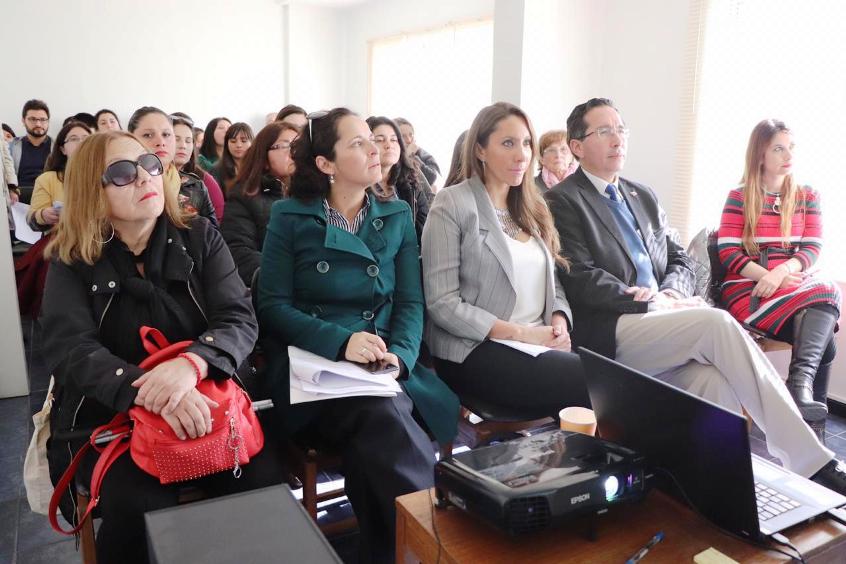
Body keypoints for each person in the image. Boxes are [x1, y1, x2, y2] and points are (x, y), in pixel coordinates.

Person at [544, 97, 846, 494]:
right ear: (578, 146)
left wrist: (670, 292)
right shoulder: (561, 200)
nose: (618, 139)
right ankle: (811, 461)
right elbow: (578, 276)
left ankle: (719, 487)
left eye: (621, 129)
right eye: (604, 131)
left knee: (713, 381)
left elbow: (680, 259)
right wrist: (648, 301)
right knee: (716, 322)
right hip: (612, 330)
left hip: (662, 317)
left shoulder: (642, 195)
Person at [41, 131, 276, 563]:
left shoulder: (200, 235)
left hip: (205, 400)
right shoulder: (71, 258)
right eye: (122, 173)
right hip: (112, 417)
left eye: (149, 164)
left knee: (261, 485)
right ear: (90, 191)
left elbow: (239, 320)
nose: (144, 177)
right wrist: (149, 393)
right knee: (139, 508)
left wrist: (191, 365)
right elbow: (71, 349)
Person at [257, 107, 456, 564]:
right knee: (385, 421)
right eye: (359, 142)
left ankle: (393, 552)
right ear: (325, 164)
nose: (376, 148)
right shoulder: (291, 215)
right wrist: (341, 343)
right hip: (315, 369)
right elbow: (272, 307)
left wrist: (402, 356)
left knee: (380, 426)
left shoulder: (397, 213)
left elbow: (410, 301)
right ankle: (431, 545)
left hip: (383, 363)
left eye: (375, 139)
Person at [421, 102, 588, 423]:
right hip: (473, 350)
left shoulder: (532, 206)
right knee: (597, 384)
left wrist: (558, 321)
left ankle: (581, 468)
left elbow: (552, 281)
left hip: (537, 345)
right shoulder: (453, 203)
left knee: (607, 383)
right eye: (508, 143)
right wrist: (521, 334)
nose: (521, 154)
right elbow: (442, 303)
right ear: (481, 150)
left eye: (526, 143)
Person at [718, 119, 840, 429]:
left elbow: (812, 249)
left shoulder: (807, 195)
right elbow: (729, 253)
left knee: (825, 290)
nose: (788, 156)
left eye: (791, 148)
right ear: (760, 155)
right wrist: (767, 277)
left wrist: (783, 271)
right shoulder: (739, 196)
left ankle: (799, 388)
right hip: (750, 287)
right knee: (826, 333)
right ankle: (806, 405)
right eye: (778, 148)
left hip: (793, 283)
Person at [222, 121, 298, 286]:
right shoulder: (244, 196)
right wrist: (288, 276)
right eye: (286, 146)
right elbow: (239, 252)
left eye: (298, 145)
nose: (295, 152)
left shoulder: (314, 193)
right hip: (276, 287)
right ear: (263, 157)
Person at [128, 107, 218, 227]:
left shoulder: (196, 186)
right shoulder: (122, 186)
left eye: (166, 134)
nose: (161, 141)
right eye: (148, 135)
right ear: (130, 139)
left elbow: (213, 237)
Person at [366, 116, 433, 240]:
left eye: (394, 139)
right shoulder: (360, 184)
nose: (388, 145)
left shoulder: (410, 179)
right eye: (380, 140)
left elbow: (425, 226)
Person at [28, 120, 92, 230]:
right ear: (63, 149)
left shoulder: (106, 174)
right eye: (74, 139)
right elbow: (31, 220)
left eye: (86, 138)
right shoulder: (47, 179)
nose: (81, 142)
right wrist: (43, 215)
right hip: (62, 239)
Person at [171, 112, 224, 224]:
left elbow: (216, 221)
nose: (183, 145)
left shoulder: (200, 182)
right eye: (176, 139)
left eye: (188, 141)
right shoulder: (151, 180)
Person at [10, 99, 53, 200]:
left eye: (43, 119)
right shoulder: (12, 146)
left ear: (48, 121)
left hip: (49, 198)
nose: (38, 124)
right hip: (17, 199)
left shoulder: (58, 147)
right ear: (23, 120)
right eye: (32, 119)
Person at [395, 117, 439, 186]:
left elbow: (431, 178)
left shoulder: (423, 154)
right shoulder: (391, 157)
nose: (409, 140)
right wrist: (406, 156)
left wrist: (413, 157)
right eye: (403, 136)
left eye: (411, 135)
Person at [210, 122, 253, 194]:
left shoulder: (260, 167)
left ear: (252, 142)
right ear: (226, 144)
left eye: (244, 141)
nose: (239, 145)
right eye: (233, 141)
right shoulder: (216, 170)